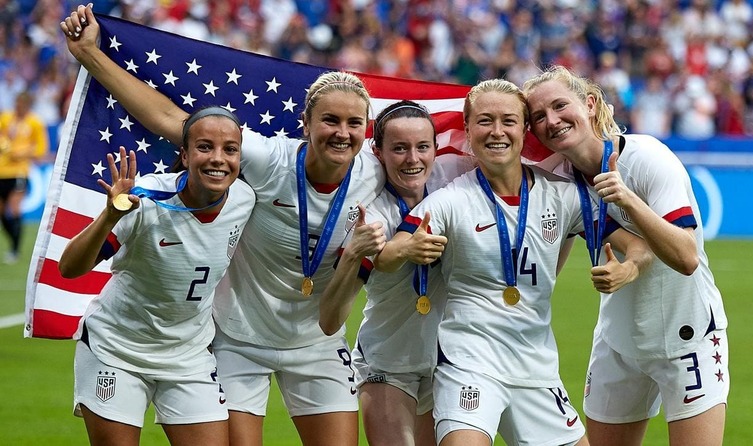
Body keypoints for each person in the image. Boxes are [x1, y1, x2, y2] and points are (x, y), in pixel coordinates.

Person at [62, 5, 384, 445]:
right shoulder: (264, 162)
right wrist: (90, 55)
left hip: (314, 342)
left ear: (367, 131)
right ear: (305, 124)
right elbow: (175, 122)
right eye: (330, 119)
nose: (342, 132)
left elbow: (428, 168)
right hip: (235, 338)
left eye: (354, 123)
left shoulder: (376, 173)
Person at [375, 79, 652, 446]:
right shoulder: (449, 201)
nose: (496, 132)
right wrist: (408, 249)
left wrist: (627, 268)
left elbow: (640, 247)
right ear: (468, 129)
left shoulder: (564, 196)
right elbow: (388, 255)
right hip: (468, 363)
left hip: (536, 369)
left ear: (524, 129)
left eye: (508, 120)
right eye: (485, 121)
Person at [523, 65, 729, 446]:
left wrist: (626, 197)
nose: (552, 120)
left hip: (688, 336)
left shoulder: (648, 157)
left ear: (588, 104)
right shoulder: (560, 182)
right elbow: (549, 269)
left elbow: (686, 257)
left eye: (559, 105)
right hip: (619, 341)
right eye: (539, 116)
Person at [58, 106, 256, 446]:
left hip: (189, 356)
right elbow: (69, 268)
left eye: (230, 149)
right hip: (117, 349)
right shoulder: (146, 199)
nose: (218, 159)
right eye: (204, 147)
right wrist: (109, 215)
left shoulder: (245, 199)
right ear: (184, 154)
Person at [318, 100, 475, 446]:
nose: (412, 159)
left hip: (450, 360)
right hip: (388, 362)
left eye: (422, 147)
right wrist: (358, 253)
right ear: (378, 152)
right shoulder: (369, 214)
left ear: (437, 147)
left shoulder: (454, 179)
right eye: (399, 148)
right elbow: (330, 320)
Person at [0, 90, 48, 264]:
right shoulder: (6, 118)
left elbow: (41, 149)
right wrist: (5, 145)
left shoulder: (35, 123)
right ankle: (12, 243)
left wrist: (22, 152)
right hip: (2, 170)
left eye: (22, 105)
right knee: (2, 214)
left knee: (14, 209)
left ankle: (15, 250)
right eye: (17, 104)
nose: (18, 107)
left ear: (27, 105)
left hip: (19, 171)